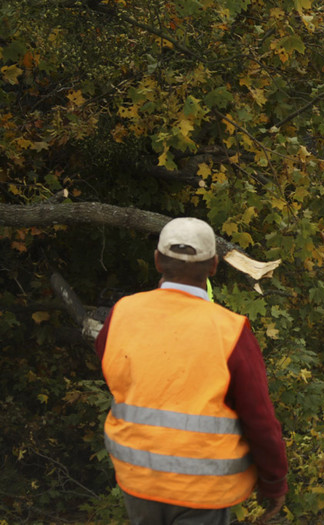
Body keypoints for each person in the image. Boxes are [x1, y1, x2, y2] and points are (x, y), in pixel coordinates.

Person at [95, 217, 288, 525]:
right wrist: (274, 482)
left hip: (139, 478)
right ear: (213, 265)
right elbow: (259, 418)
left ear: (158, 260)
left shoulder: (123, 313)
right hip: (204, 488)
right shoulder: (231, 331)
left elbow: (114, 373)